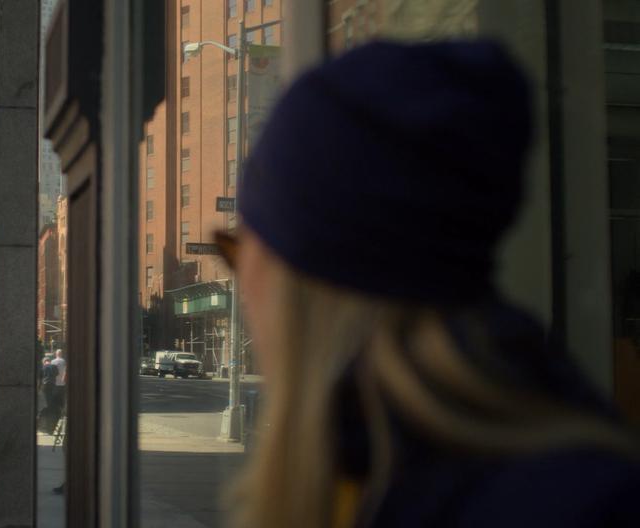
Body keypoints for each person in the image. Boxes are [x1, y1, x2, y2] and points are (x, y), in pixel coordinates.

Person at [220, 41, 640, 528]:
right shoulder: (363, 468)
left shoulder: (573, 506)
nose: (245, 294)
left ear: (308, 284)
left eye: (239, 251)